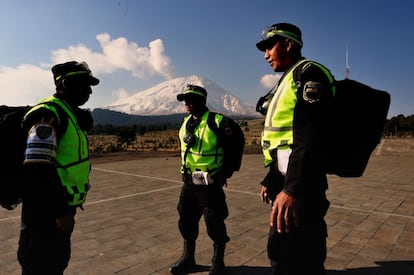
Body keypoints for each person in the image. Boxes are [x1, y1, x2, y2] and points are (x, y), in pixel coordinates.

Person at [255, 23, 334, 275]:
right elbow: (283, 142)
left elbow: (310, 136)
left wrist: (292, 189)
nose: (266, 54)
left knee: (300, 255)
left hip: (302, 187)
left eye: (269, 46)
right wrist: (272, 178)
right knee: (281, 251)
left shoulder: (308, 74)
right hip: (288, 181)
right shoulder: (286, 79)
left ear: (288, 44)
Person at [18, 61, 99, 275]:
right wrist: (61, 211)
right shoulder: (48, 114)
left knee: (55, 264)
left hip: (57, 212)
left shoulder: (68, 112)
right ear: (64, 84)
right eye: (84, 85)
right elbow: (38, 168)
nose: (89, 91)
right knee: (40, 266)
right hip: (44, 214)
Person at [170, 84, 244, 275]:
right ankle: (188, 259)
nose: (187, 102)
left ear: (203, 100)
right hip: (189, 182)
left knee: (214, 221)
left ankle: (218, 262)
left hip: (209, 184)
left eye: (191, 99)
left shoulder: (217, 121)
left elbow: (237, 143)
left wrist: (226, 172)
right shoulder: (186, 122)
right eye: (184, 99)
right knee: (185, 219)